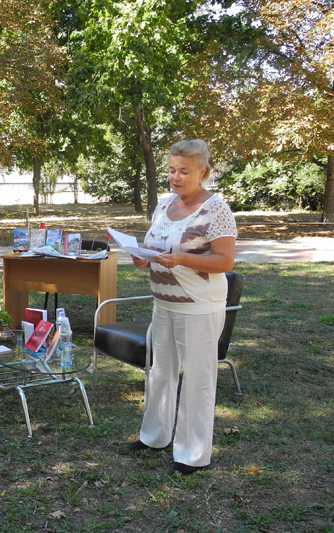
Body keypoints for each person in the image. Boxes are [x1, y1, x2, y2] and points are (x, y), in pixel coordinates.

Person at [127, 139, 237, 475]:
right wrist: (141, 258)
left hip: (199, 307)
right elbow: (152, 248)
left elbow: (225, 260)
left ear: (202, 171)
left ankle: (192, 454)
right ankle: (154, 436)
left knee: (197, 380)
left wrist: (183, 259)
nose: (175, 177)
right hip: (163, 304)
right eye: (172, 170)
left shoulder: (217, 210)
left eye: (183, 171)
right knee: (160, 371)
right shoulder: (163, 205)